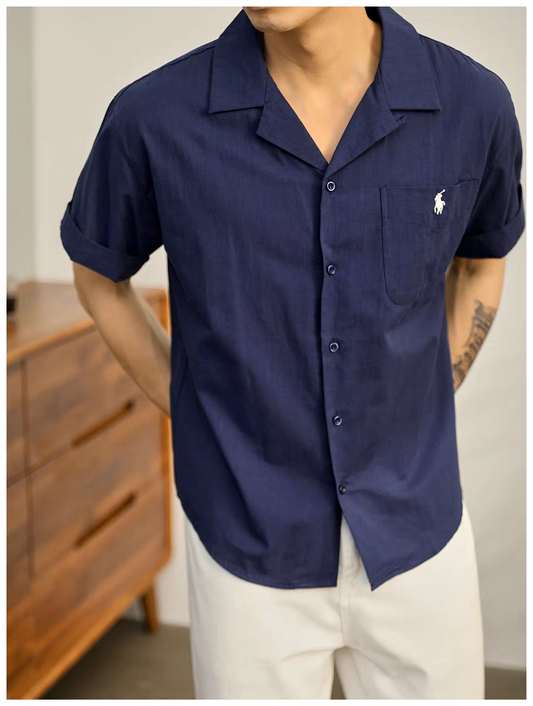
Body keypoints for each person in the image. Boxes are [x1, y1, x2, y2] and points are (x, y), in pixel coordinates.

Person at [60, 6, 525, 700]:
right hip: (247, 547)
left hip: (418, 536)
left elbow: (482, 262)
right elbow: (99, 277)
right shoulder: (153, 118)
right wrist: (192, 407)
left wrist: (432, 388)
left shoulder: (471, 104)